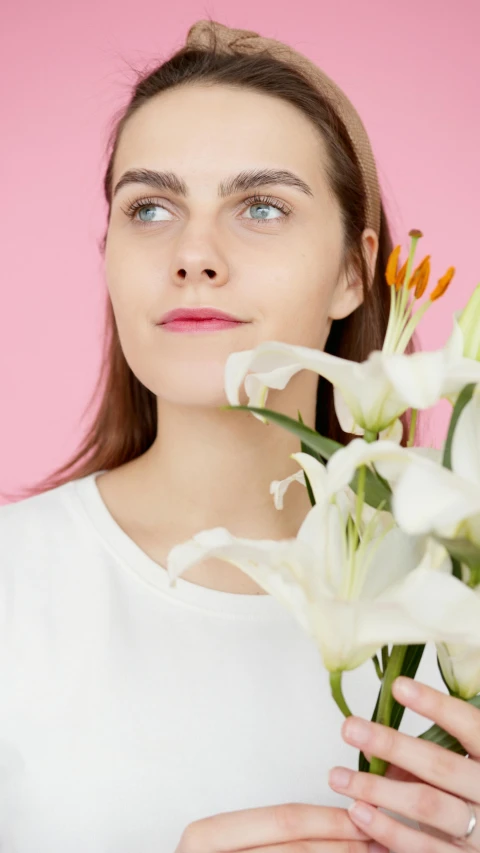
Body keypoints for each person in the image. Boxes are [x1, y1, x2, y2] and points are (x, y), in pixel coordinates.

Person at [1, 18, 479, 853]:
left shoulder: (460, 595)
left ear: (352, 272)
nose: (194, 253)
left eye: (261, 206)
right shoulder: (15, 585)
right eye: (149, 207)